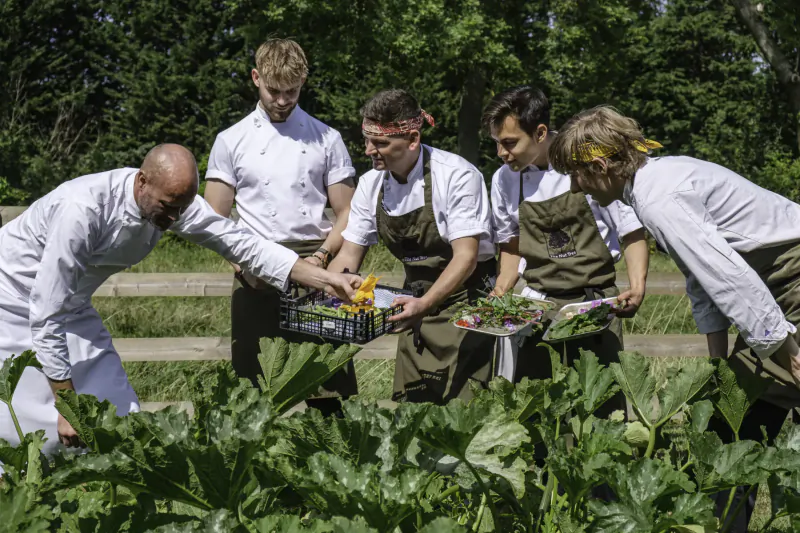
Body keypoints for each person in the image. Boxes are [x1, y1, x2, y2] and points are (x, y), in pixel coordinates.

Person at [0, 144, 360, 455]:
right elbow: (46, 312)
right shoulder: (82, 210)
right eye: (167, 207)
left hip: (72, 303)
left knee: (122, 414)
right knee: (28, 430)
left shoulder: (174, 203)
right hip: (13, 297)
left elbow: (241, 244)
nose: (173, 219)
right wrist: (69, 406)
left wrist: (325, 279)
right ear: (142, 181)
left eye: (180, 210)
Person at [549, 104, 800, 531]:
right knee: (732, 421)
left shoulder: (658, 196)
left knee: (733, 429)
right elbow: (701, 275)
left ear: (600, 165)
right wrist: (717, 360)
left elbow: (729, 276)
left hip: (790, 279)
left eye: (577, 174)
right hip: (776, 286)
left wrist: (787, 349)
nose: (575, 187)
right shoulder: (657, 178)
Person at [204, 38, 358, 416]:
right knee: (251, 394)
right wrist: (237, 261)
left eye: (292, 91)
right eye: (274, 90)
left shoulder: (327, 138)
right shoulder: (231, 140)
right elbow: (212, 217)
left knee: (330, 393)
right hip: (254, 266)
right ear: (256, 78)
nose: (283, 100)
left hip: (316, 265)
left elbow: (349, 212)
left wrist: (323, 257)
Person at [327, 89, 497, 404]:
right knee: (412, 417)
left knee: (466, 416)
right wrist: (324, 290)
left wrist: (426, 304)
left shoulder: (457, 176)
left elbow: (466, 257)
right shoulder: (371, 185)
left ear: (413, 139)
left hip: (466, 303)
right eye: (367, 140)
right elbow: (350, 253)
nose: (369, 150)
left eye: (380, 143)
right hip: (413, 304)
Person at [481, 86, 649, 405]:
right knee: (538, 409)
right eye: (497, 144)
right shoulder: (503, 180)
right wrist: (500, 292)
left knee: (600, 407)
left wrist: (637, 287)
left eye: (509, 143)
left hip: (593, 305)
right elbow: (511, 247)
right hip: (538, 307)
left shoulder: (586, 162)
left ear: (541, 132)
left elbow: (632, 233)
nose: (501, 153)